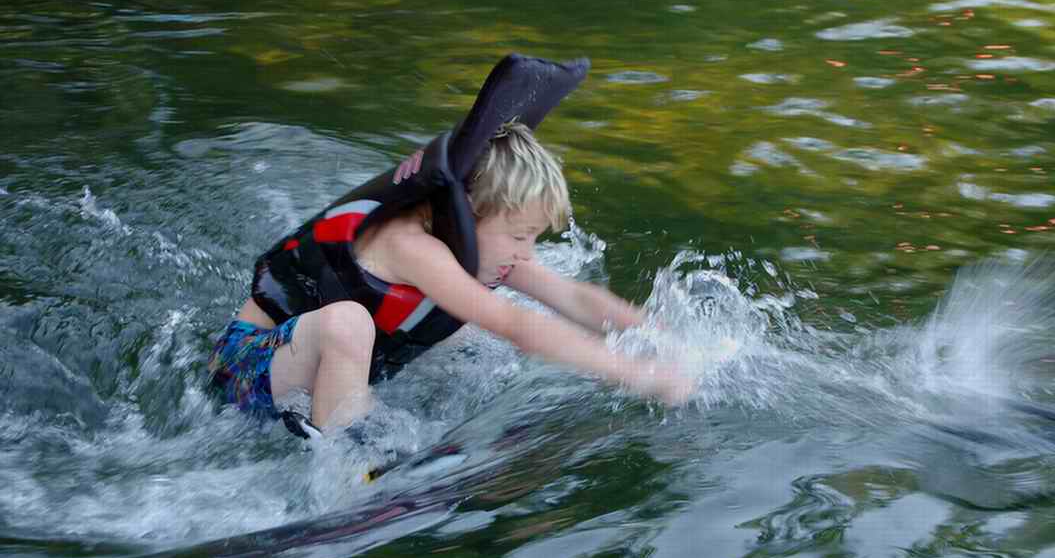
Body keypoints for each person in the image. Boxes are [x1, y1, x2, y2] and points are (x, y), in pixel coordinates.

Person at [207, 55, 694, 436]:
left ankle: (353, 421)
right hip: (246, 372)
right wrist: (636, 374)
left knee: (465, 333)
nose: (526, 253)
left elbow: (574, 298)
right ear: (470, 213)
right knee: (353, 322)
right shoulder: (409, 246)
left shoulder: (481, 243)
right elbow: (517, 325)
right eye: (520, 236)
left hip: (309, 370)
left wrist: (671, 346)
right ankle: (344, 460)